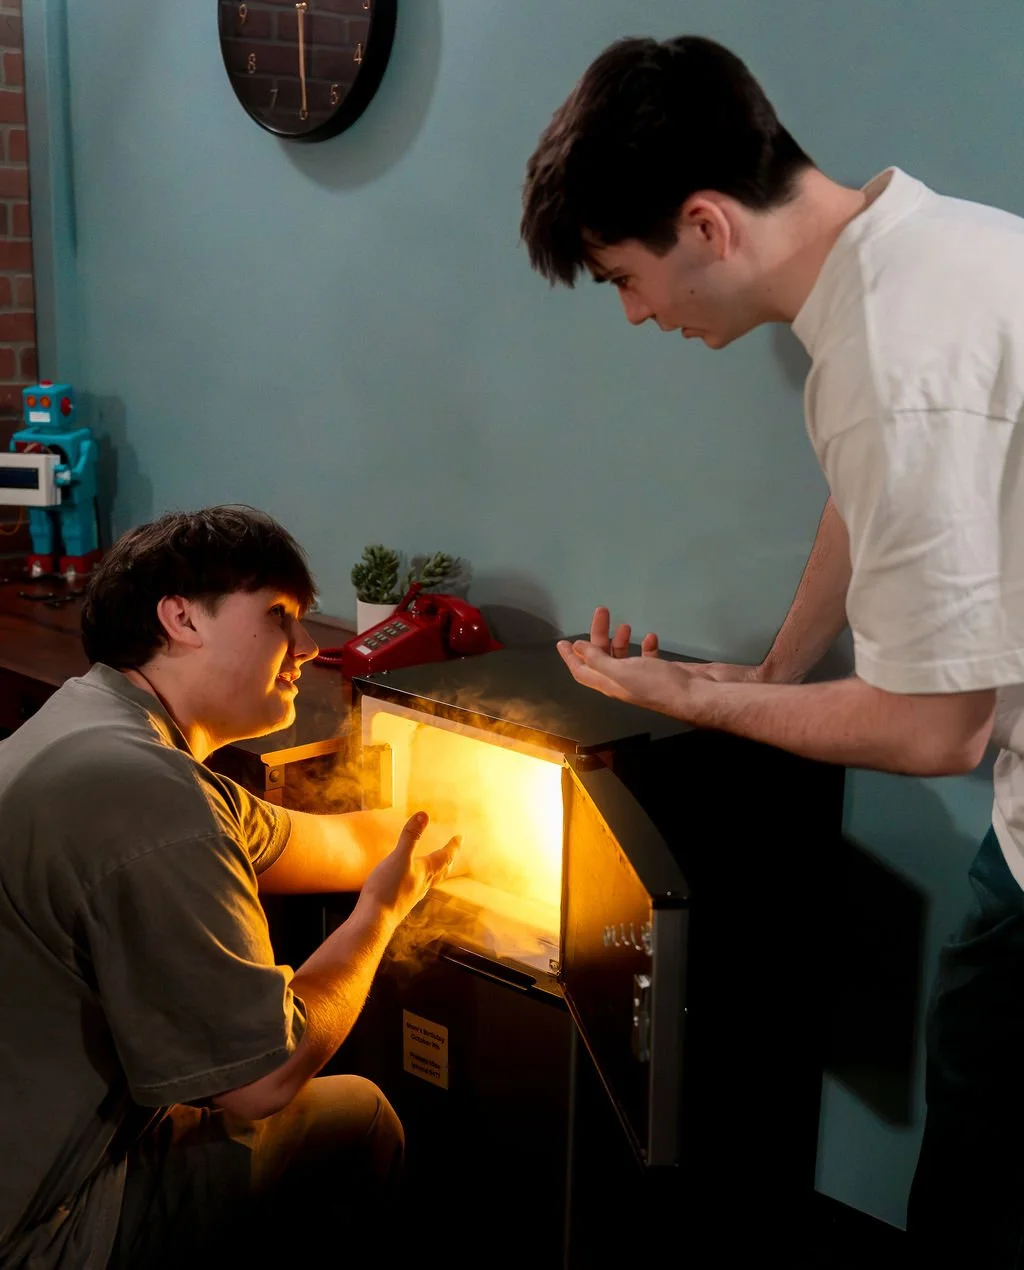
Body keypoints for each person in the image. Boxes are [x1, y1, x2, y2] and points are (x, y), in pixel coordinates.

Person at [521, 32, 1024, 1268]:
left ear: (705, 224)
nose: (637, 314)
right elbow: (871, 501)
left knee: (981, 1175)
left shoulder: (892, 356)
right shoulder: (931, 254)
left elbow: (933, 730)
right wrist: (769, 673)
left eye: (626, 278)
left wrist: (696, 700)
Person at [0, 504, 460, 1269]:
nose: (308, 648)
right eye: (279, 616)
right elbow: (261, 1082)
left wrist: (462, 817)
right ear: (181, 617)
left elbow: (334, 845)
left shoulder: (96, 720)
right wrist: (379, 915)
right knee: (360, 1117)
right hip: (41, 1228)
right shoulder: (155, 798)